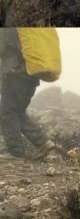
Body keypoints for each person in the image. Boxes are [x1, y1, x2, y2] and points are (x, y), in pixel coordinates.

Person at [0, 29, 56, 161]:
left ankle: (15, 153)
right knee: (18, 112)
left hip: (15, 75)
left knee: (7, 112)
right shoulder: (26, 29)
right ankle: (43, 143)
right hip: (31, 77)